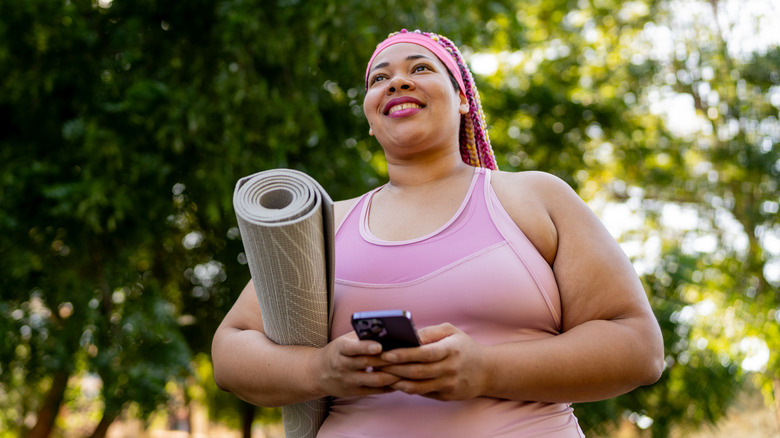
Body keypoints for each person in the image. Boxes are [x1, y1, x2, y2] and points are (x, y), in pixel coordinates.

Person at [212, 29, 664, 437]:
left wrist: (486, 369)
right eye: (379, 79)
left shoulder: (533, 198)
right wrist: (319, 369)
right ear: (371, 119)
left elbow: (638, 347)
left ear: (463, 97)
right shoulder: (324, 226)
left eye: (421, 68)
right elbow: (230, 352)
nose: (397, 82)